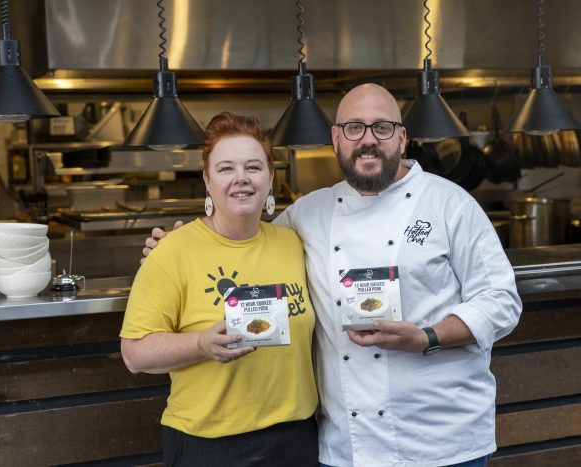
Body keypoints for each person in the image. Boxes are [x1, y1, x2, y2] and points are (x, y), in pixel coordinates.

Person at [143, 84, 522, 467]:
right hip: (347, 446)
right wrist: (181, 242)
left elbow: (502, 302)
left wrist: (426, 337)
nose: (368, 140)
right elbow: (244, 237)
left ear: (403, 138)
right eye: (354, 128)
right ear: (336, 138)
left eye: (382, 128)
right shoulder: (309, 213)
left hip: (441, 440)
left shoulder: (450, 204)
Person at [121, 112, 319, 467]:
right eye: (226, 168)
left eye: (254, 168)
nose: (241, 179)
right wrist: (201, 344)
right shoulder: (173, 250)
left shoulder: (293, 243)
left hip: (296, 438)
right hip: (208, 445)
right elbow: (134, 354)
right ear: (207, 180)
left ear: (271, 179)